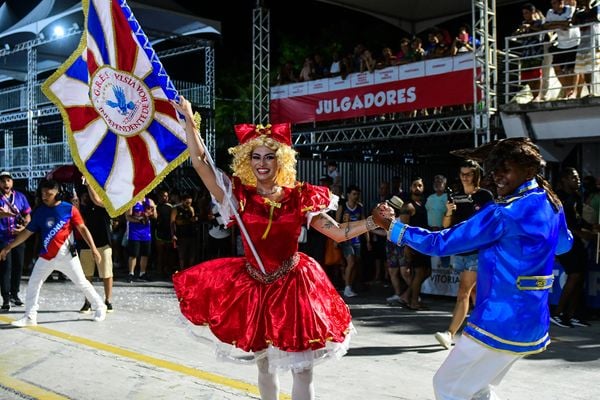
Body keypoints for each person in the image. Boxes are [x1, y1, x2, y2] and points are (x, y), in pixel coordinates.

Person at [171, 96, 380, 400]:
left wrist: (373, 222)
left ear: (281, 159)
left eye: (269, 157)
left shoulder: (299, 196)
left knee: (303, 369)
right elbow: (200, 163)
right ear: (247, 160)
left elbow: (337, 233)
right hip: (254, 286)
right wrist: (189, 120)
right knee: (265, 365)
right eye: (255, 157)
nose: (262, 163)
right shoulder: (238, 195)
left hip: (294, 285)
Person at [371, 138, 573, 399]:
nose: (497, 176)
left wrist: (393, 226)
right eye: (494, 169)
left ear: (529, 169)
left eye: (505, 169)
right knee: (477, 390)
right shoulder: (550, 203)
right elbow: (564, 246)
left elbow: (440, 243)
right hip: (533, 322)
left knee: (448, 386)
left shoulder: (504, 213)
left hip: (498, 322)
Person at [1, 179, 107, 327]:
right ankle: (30, 316)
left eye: (48, 194)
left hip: (67, 257)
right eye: (43, 193)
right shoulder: (39, 211)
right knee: (34, 283)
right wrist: (9, 247)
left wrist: (94, 248)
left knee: (82, 282)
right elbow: (27, 232)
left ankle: (100, 306)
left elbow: (82, 229)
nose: (44, 196)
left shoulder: (69, 209)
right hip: (46, 256)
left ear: (58, 194)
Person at [434, 160, 494, 349]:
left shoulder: (485, 196)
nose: (465, 177)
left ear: (476, 175)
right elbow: (446, 225)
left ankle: (450, 333)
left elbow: (491, 224)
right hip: (460, 251)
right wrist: (449, 212)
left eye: (469, 174)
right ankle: (487, 331)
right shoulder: (455, 195)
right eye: (462, 173)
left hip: (478, 252)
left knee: (463, 292)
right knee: (474, 292)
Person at [78, 179, 114, 314]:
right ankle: (88, 301)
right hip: (86, 243)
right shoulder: (83, 206)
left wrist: (89, 184)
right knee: (86, 275)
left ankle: (108, 300)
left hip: (104, 242)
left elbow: (96, 200)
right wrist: (77, 205)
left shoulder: (106, 203)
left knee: (106, 273)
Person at [0, 171, 31, 311]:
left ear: (12, 182)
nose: (6, 183)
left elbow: (27, 214)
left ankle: (14, 295)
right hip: (3, 238)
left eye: (8, 180)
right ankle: (6, 298)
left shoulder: (20, 196)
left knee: (18, 266)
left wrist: (24, 226)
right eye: (2, 181)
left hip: (18, 238)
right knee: (6, 268)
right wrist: (3, 214)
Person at [125, 196, 156, 282]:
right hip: (134, 231)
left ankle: (142, 273)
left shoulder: (149, 201)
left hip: (146, 231)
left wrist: (151, 212)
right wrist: (139, 220)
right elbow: (128, 216)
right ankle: (131, 273)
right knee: (133, 253)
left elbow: (155, 216)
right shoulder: (132, 200)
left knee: (145, 253)